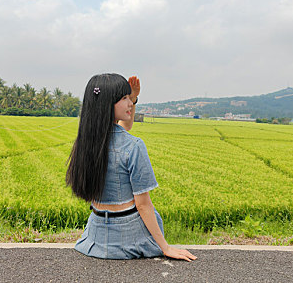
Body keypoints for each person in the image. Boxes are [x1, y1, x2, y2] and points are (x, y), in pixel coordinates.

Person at [66, 73, 196, 261]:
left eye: (130, 99)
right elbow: (143, 205)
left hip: (95, 237)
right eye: (124, 98)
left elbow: (124, 127)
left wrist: (133, 98)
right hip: (128, 238)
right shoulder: (133, 146)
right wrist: (165, 247)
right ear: (107, 103)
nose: (129, 104)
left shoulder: (87, 141)